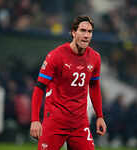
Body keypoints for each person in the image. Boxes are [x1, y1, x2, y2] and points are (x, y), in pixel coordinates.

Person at [30, 15, 107, 150]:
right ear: (73, 32)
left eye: (90, 32)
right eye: (83, 31)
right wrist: (35, 120)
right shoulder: (56, 56)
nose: (86, 35)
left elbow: (94, 86)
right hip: (55, 121)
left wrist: (100, 116)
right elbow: (39, 87)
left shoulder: (95, 58)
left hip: (79, 122)